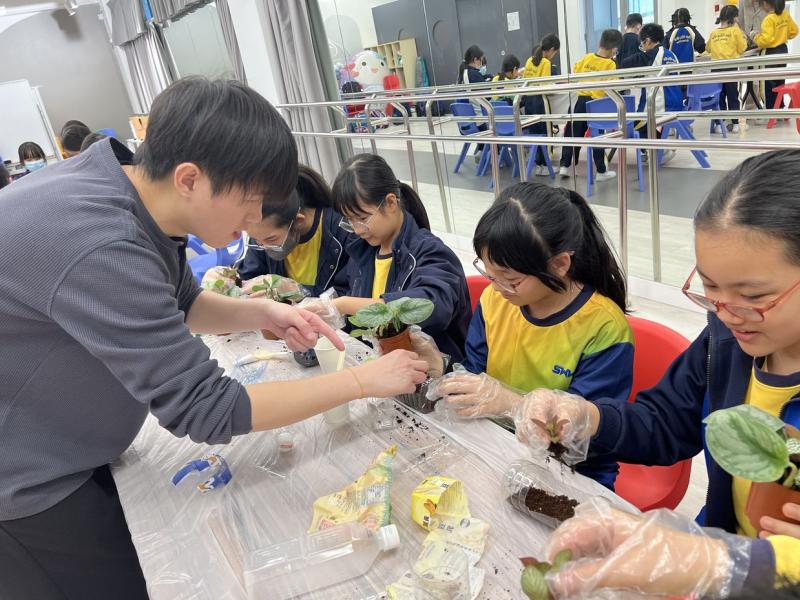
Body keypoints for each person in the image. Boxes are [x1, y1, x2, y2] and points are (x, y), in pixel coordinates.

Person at [0, 78, 428, 600]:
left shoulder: (132, 189)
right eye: (250, 203)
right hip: (27, 475)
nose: (253, 222)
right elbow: (208, 409)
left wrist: (263, 311)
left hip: (70, 443)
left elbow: (182, 301)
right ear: (190, 179)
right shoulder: (99, 239)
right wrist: (361, 381)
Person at [516, 150, 800, 596]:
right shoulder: (726, 341)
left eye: (753, 296)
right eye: (709, 287)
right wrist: (589, 417)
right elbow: (667, 422)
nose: (726, 313)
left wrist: (718, 563)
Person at [432, 183, 632, 490]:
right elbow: (475, 372)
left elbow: (582, 429)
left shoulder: (603, 327)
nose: (497, 287)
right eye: (490, 274)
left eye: (511, 279)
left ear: (560, 264)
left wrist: (509, 403)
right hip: (499, 442)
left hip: (569, 470)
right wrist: (439, 367)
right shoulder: (495, 300)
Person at [331, 153, 472, 363]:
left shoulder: (430, 252)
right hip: (379, 364)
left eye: (362, 218)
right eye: (349, 221)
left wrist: (344, 304)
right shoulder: (362, 252)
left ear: (390, 202)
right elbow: (344, 292)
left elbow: (431, 305)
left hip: (429, 370)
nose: (357, 230)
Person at [238, 164, 352, 297]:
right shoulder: (262, 236)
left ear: (298, 221)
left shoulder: (342, 230)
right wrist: (231, 283)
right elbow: (249, 279)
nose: (265, 247)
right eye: (257, 241)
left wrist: (297, 290)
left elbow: (349, 292)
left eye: (271, 239)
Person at [559, 28, 623, 181]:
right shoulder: (610, 64)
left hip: (580, 101)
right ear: (614, 49)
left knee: (572, 133)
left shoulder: (587, 58)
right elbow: (612, 88)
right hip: (596, 104)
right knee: (597, 136)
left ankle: (565, 166)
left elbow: (575, 71)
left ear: (600, 42)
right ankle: (601, 171)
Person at [622, 22, 683, 161]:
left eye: (642, 44)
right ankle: (651, 149)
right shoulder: (672, 55)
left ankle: (658, 150)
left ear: (648, 41)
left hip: (660, 105)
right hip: (676, 103)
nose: (642, 48)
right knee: (640, 121)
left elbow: (626, 63)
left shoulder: (651, 54)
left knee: (633, 125)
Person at [522, 34, 561, 176]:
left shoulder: (529, 61)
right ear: (552, 49)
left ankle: (538, 165)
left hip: (529, 101)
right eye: (555, 53)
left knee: (535, 133)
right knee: (546, 133)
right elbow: (545, 85)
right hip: (540, 101)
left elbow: (525, 81)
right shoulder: (546, 63)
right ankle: (546, 165)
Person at [708, 5, 749, 133]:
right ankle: (736, 124)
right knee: (733, 96)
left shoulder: (713, 33)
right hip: (730, 68)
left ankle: (719, 125)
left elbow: (707, 49)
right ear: (734, 18)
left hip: (716, 69)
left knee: (719, 97)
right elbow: (743, 48)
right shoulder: (735, 31)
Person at [754, 0, 798, 110]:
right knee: (780, 80)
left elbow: (765, 41)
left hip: (771, 52)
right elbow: (795, 31)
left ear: (765, 3)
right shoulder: (785, 15)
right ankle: (779, 106)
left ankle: (770, 109)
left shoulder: (768, 19)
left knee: (768, 82)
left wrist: (755, 37)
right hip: (783, 50)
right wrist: (782, 36)